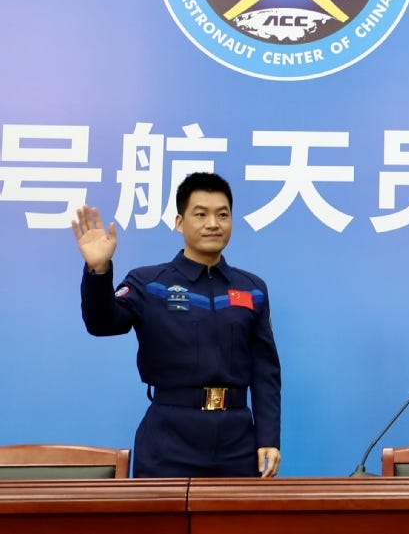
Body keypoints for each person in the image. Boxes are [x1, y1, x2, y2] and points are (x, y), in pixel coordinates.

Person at [73, 172, 282, 478]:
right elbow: (102, 323)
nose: (213, 223)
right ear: (180, 222)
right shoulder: (150, 283)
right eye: (201, 214)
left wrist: (268, 438)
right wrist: (98, 270)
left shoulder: (252, 288)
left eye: (222, 215)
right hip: (169, 439)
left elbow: (266, 372)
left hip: (237, 439)